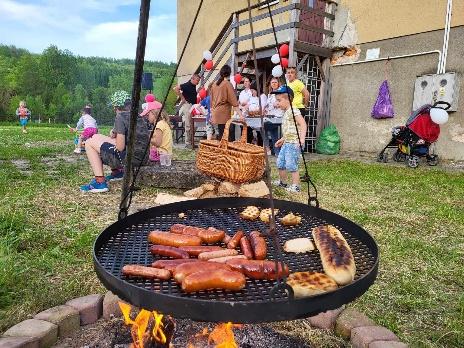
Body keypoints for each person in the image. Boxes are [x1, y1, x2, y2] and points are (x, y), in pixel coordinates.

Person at [79, 90, 152, 193]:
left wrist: (111, 141)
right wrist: (114, 134)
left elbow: (120, 147)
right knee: (96, 136)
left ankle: (100, 182)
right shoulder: (138, 116)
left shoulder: (120, 117)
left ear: (117, 107)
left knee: (89, 143)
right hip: (142, 157)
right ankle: (117, 173)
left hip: (130, 159)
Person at [271, 85, 307, 193]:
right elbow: (289, 130)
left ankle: (296, 186)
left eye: (279, 100)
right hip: (287, 142)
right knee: (280, 163)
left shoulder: (293, 110)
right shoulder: (286, 112)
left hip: (294, 143)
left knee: (291, 164)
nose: (277, 103)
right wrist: (282, 139)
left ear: (288, 98)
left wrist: (302, 139)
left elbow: (303, 124)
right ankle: (283, 182)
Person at [209, 65, 243, 141]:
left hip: (216, 112)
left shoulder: (214, 84)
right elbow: (234, 102)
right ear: (229, 73)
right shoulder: (227, 84)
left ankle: (222, 151)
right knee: (228, 135)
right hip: (224, 113)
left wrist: (211, 114)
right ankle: (226, 151)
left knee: (221, 133)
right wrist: (241, 115)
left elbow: (211, 101)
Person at [174, 74, 200, 147]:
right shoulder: (186, 85)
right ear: (192, 79)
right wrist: (182, 98)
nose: (198, 82)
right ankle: (188, 143)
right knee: (188, 124)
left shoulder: (193, 85)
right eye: (197, 80)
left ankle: (191, 141)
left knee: (194, 124)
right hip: (188, 105)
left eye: (199, 81)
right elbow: (175, 88)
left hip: (193, 106)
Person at [264, 77, 284, 156]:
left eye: (275, 82)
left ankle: (268, 148)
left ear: (278, 83)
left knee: (263, 127)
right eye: (272, 83)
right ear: (270, 84)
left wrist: (277, 104)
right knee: (273, 132)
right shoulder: (270, 94)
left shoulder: (280, 92)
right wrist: (266, 109)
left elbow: (282, 103)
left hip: (278, 116)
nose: (274, 84)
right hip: (271, 116)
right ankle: (277, 152)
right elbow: (269, 106)